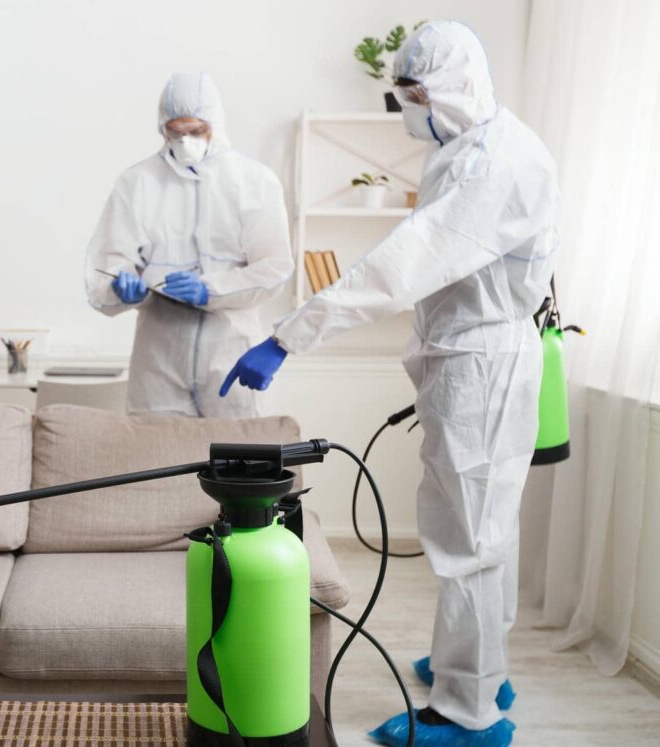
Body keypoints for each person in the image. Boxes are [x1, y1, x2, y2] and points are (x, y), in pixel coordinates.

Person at [221, 21, 559, 747]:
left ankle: (469, 713)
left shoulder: (495, 161)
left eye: (412, 92)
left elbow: (405, 261)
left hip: (482, 362)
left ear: (449, 89)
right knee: (482, 529)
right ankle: (478, 668)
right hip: (469, 359)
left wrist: (287, 336)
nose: (404, 106)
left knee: (468, 539)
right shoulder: (465, 148)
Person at [85, 72, 294, 417]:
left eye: (195, 131)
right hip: (159, 360)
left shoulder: (254, 182)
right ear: (161, 128)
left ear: (215, 124)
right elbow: (108, 260)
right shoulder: (137, 183)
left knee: (238, 461)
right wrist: (122, 286)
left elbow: (274, 268)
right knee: (155, 462)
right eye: (175, 131)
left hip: (229, 351)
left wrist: (210, 289)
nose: (185, 140)